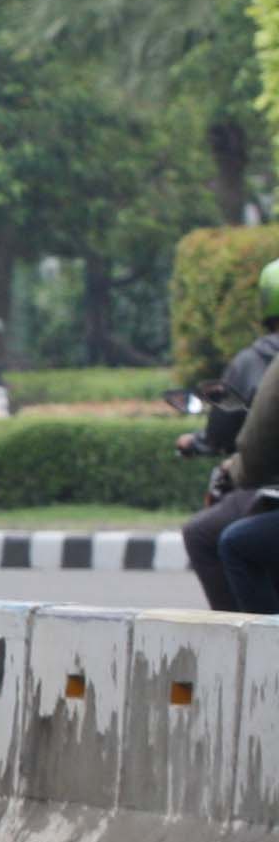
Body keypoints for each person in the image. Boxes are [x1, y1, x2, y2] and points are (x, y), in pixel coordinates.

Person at [179, 260, 279, 611]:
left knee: (217, 538)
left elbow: (253, 447)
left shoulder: (255, 360)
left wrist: (233, 468)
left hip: (265, 484)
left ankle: (253, 648)